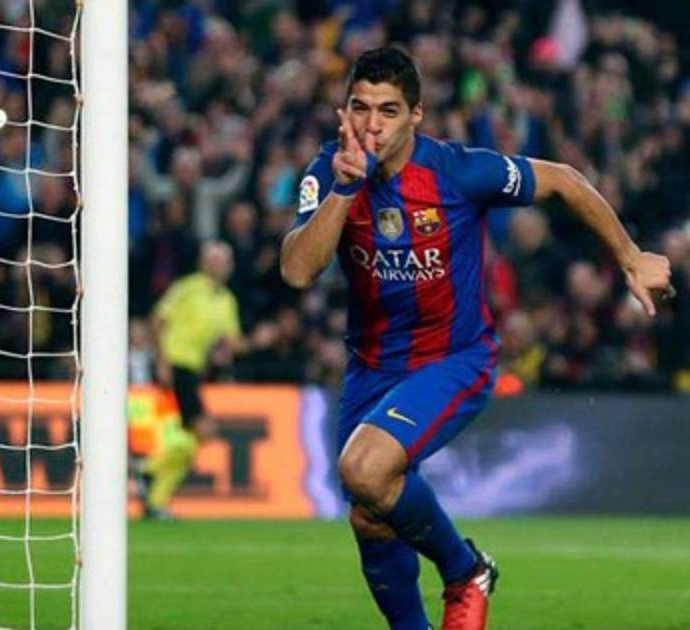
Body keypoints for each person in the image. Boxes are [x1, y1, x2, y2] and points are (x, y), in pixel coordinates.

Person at [280, 48, 673, 630]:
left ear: (417, 114)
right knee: (369, 513)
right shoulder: (328, 171)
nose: (371, 125)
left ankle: (465, 570)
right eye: (360, 108)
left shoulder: (458, 171)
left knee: (364, 470)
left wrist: (630, 255)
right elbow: (296, 271)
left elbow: (564, 180)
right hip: (371, 367)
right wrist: (342, 189)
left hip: (452, 360)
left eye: (388, 111)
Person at [142, 241, 248, 519]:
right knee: (202, 430)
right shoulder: (188, 288)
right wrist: (161, 361)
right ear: (203, 263)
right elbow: (158, 319)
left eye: (223, 261)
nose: (218, 266)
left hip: (193, 371)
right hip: (175, 364)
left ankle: (152, 486)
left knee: (188, 439)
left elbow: (233, 342)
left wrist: (258, 341)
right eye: (213, 260)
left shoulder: (226, 300)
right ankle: (149, 476)